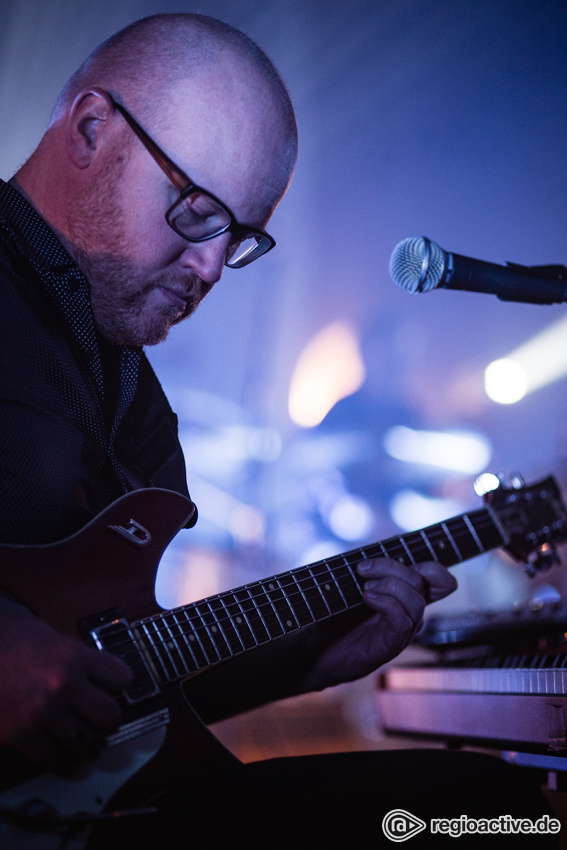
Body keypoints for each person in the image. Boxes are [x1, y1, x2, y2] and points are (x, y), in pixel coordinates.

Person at [0, 12, 559, 848]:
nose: (211, 267)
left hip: (79, 810)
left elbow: (130, 684)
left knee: (485, 810)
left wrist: (312, 656)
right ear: (89, 128)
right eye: (195, 209)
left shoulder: (138, 402)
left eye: (241, 236)